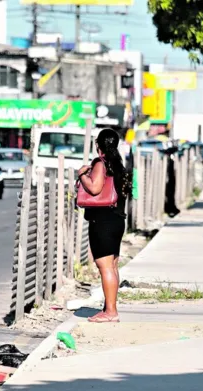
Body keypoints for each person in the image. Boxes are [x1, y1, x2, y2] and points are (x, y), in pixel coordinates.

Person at [77, 128, 130, 323]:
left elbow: (94, 188)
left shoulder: (101, 163)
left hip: (103, 221)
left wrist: (82, 174)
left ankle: (110, 312)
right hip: (116, 219)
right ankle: (109, 307)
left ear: (98, 146)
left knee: (105, 266)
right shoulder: (118, 164)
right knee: (113, 265)